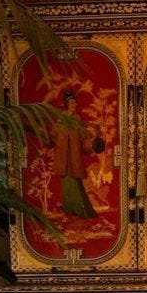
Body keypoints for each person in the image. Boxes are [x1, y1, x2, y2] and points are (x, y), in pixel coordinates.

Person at [52, 89, 105, 219]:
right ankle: (69, 209)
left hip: (74, 157)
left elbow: (83, 134)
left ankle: (81, 210)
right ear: (67, 104)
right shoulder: (61, 119)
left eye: (75, 103)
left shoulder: (77, 119)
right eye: (72, 103)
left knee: (76, 183)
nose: (74, 105)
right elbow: (54, 135)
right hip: (64, 158)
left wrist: (93, 134)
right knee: (66, 184)